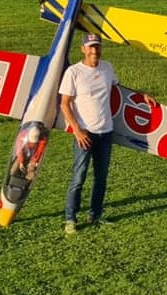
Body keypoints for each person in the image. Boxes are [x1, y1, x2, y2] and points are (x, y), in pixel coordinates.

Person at [59, 32, 156, 235]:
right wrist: (77, 131)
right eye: (91, 47)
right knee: (79, 177)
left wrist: (141, 95)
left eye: (97, 46)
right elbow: (65, 104)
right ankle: (70, 218)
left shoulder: (107, 67)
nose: (95, 50)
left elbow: (118, 88)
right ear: (83, 49)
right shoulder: (73, 72)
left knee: (101, 178)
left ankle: (95, 214)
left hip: (106, 132)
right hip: (85, 134)